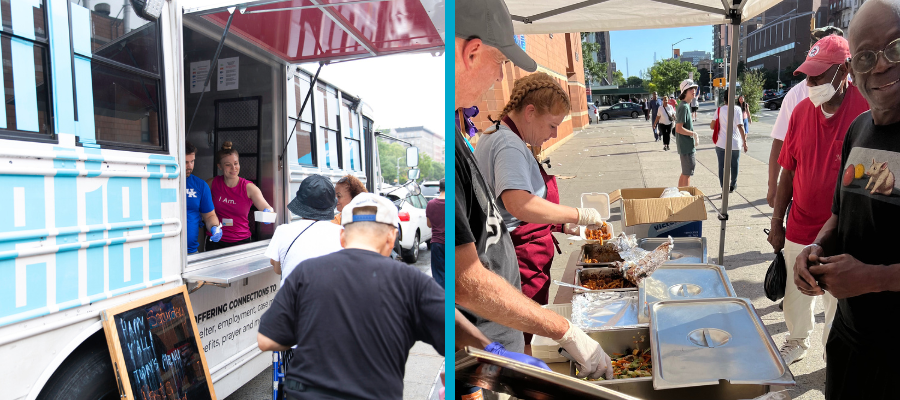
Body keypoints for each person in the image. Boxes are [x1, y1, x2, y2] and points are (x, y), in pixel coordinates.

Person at [455, 0, 614, 388]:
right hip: (509, 287)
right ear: (472, 52)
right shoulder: (505, 144)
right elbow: (515, 205)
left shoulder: (486, 136)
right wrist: (564, 331)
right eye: (500, 63)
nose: (499, 76)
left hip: (499, 308)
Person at [792, 3, 900, 397]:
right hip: (849, 341)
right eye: (868, 56)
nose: (883, 65)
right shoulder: (859, 130)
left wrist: (875, 278)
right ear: (853, 71)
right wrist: (816, 248)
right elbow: (841, 215)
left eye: (895, 48)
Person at [257, 193, 443, 399]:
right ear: (392, 237)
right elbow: (452, 335)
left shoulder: (306, 272)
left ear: (342, 237)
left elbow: (266, 341)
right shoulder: (413, 282)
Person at [475, 72, 604, 347]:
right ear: (530, 112)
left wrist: (559, 225)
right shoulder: (509, 144)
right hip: (518, 262)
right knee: (521, 340)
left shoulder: (497, 133)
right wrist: (579, 215)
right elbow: (518, 203)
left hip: (518, 254)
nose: (554, 134)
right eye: (552, 125)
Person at [768, 34, 870, 367]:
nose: (810, 82)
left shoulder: (866, 112)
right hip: (799, 226)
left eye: (818, 75)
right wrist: (776, 225)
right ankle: (798, 340)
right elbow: (788, 175)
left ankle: (833, 356)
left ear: (845, 70)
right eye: (807, 75)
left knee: (838, 304)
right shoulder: (800, 112)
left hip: (843, 232)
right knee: (797, 297)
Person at [766, 26, 845, 207]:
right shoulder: (796, 96)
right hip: (803, 200)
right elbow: (780, 142)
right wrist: (773, 186)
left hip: (844, 202)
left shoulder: (861, 93)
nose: (812, 82)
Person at [266, 174, 344, 286]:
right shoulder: (342, 233)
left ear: (300, 203)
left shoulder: (283, 231)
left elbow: (278, 269)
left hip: (293, 301)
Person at [207, 141, 274, 250]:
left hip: (241, 242)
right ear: (219, 167)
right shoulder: (211, 184)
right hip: (215, 241)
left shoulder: (249, 188)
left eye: (236, 163)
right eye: (228, 165)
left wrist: (268, 212)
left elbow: (267, 208)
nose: (233, 168)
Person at [184, 141, 221, 254]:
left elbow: (209, 215)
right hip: (162, 251)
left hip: (191, 252)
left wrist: (215, 227)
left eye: (192, 161)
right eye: (185, 162)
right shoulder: (162, 181)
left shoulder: (200, 185)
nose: (190, 166)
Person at [711, 89, 748, 193]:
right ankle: (732, 184)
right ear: (734, 98)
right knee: (734, 165)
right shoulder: (737, 109)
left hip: (721, 142)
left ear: (724, 98)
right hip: (735, 143)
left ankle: (724, 187)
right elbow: (740, 126)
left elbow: (712, 126)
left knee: (721, 166)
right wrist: (745, 142)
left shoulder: (719, 110)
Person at [675, 79, 700, 187]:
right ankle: (684, 196)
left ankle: (680, 194)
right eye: (690, 89)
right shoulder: (684, 106)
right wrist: (693, 134)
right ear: (685, 91)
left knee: (685, 172)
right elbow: (678, 128)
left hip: (685, 145)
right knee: (688, 173)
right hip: (686, 146)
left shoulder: (684, 106)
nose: (693, 90)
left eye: (694, 88)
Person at [425, 179, 445, 288]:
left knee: (439, 276)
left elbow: (429, 224)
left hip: (437, 243)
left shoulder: (431, 204)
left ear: (439, 189)